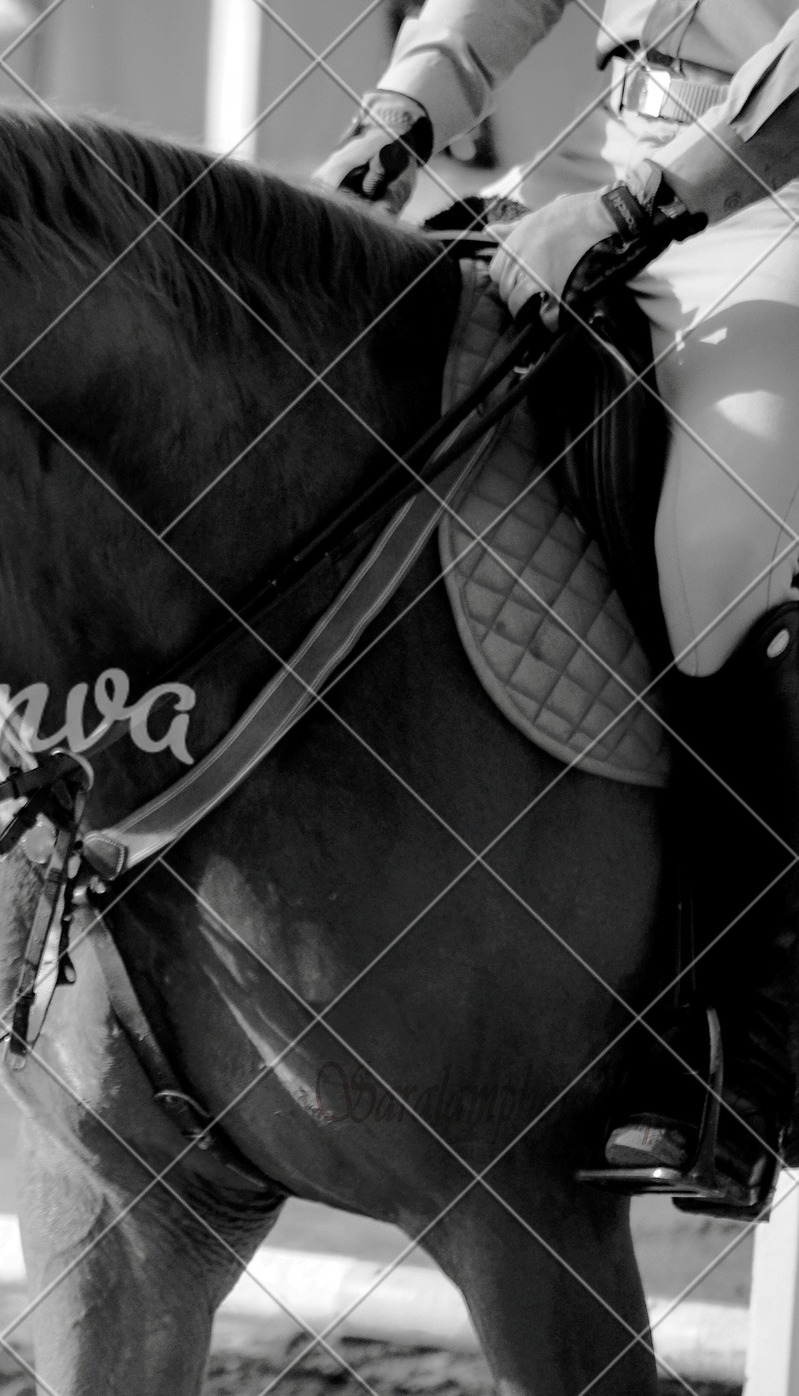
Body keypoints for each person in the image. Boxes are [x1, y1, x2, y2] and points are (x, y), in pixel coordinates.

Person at [315, 2, 799, 1215]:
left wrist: (644, 206)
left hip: (768, 188)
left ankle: (742, 1045)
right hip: (606, 153)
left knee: (720, 527)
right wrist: (398, 117)